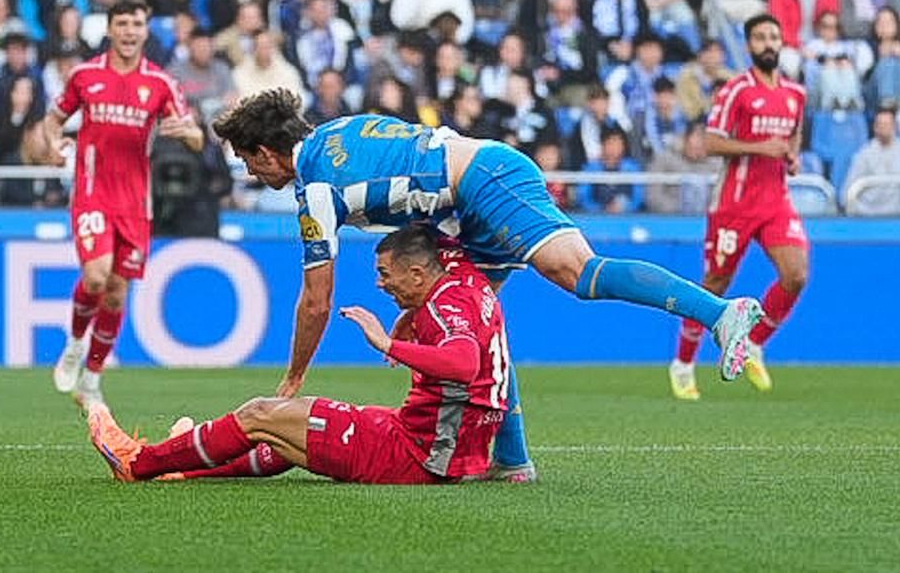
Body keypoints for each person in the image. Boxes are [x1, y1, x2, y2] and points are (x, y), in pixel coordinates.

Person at [212, 90, 765, 481]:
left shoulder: (315, 188)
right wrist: (418, 302)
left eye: (248, 162)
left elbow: (317, 300)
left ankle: (721, 313)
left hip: (485, 180)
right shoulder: (338, 130)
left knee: (576, 272)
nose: (254, 175)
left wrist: (294, 377)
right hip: (469, 194)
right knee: (477, 318)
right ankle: (514, 459)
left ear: (264, 152)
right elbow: (411, 188)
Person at [87, 225, 508, 485]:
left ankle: (138, 464)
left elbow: (464, 364)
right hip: (455, 451)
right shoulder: (463, 276)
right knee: (285, 438)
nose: (381, 285)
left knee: (261, 414)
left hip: (416, 456)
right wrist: (413, 312)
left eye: (385, 274)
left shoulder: (441, 307)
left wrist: (387, 343)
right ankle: (181, 468)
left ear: (418, 273)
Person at [37, 0, 203, 404]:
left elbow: (198, 139)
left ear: (146, 31)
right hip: (92, 192)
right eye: (123, 23)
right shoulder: (85, 75)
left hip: (135, 202)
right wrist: (54, 142)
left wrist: (187, 133)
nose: (130, 31)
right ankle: (75, 343)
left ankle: (92, 376)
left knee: (115, 292)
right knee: (96, 276)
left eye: (137, 24)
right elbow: (53, 118)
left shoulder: (161, 84)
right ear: (110, 29)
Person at [670, 14, 809, 402]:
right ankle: (683, 363)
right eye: (761, 37)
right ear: (749, 45)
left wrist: (791, 158)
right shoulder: (736, 90)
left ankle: (754, 343)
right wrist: (759, 147)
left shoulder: (796, 94)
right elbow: (710, 143)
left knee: (795, 275)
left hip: (776, 200)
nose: (768, 43)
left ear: (781, 43)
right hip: (734, 201)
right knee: (716, 283)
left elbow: (793, 135)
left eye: (773, 36)